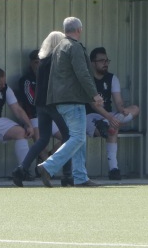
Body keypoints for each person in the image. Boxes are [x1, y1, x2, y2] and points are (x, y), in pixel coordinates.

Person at [36, 17, 104, 187]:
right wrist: (94, 95)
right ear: (79, 30)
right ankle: (48, 166)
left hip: (60, 100)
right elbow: (83, 73)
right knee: (78, 137)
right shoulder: (74, 47)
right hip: (73, 99)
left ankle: (80, 177)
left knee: (78, 137)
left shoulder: (59, 47)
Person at [11, 33, 73, 187]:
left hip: (40, 106)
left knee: (43, 139)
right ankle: (67, 175)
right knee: (69, 138)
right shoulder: (58, 61)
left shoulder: (42, 62)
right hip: (53, 103)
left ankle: (21, 168)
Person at [86, 47, 140, 180]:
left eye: (107, 60)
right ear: (93, 63)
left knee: (135, 109)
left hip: (110, 116)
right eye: (101, 60)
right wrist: (110, 118)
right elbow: (94, 105)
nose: (105, 63)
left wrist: (122, 110)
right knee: (112, 128)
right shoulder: (87, 79)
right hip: (90, 116)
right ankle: (114, 169)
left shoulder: (112, 78)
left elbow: (118, 101)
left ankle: (108, 125)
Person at [16, 48, 64, 177]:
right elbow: (32, 101)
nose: (39, 65)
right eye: (36, 62)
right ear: (31, 63)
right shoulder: (26, 80)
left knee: (68, 138)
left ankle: (46, 159)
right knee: (42, 140)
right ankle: (45, 169)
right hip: (34, 117)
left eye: (41, 62)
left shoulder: (51, 78)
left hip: (52, 116)